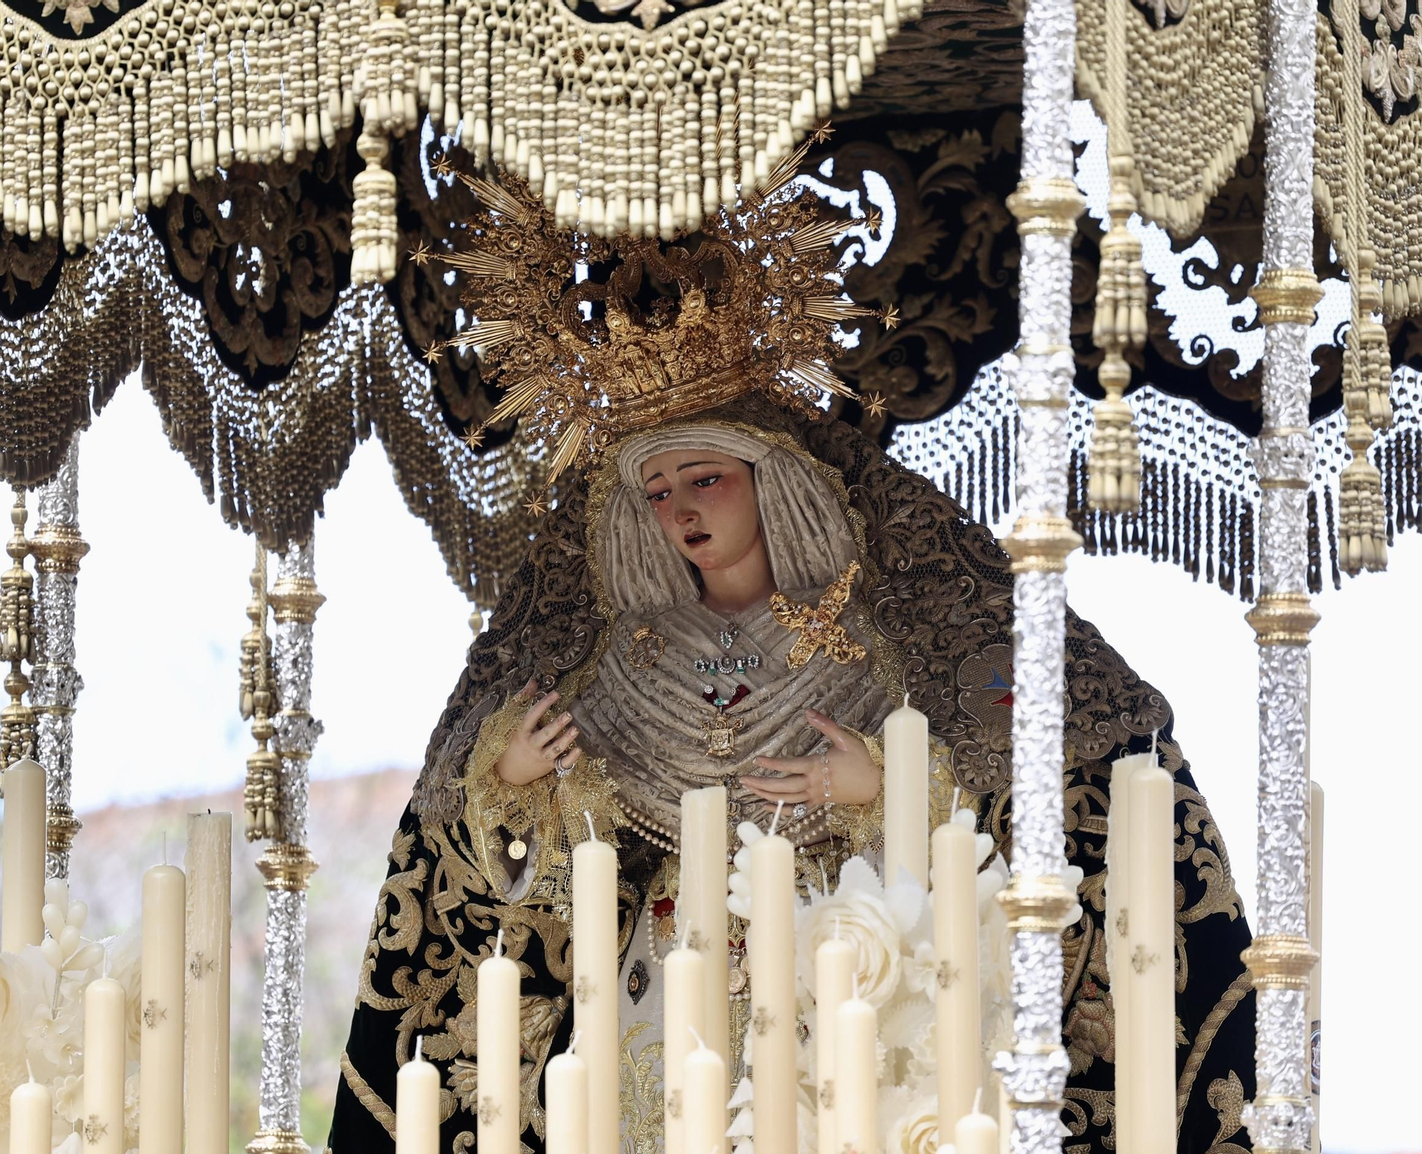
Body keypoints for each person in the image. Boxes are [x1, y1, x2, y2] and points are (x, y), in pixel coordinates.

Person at [330, 152, 1254, 1154]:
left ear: (773, 482)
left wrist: (888, 788)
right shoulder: (610, 668)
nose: (680, 508)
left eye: (705, 477)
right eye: (658, 490)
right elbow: (542, 893)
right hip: (650, 1013)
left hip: (836, 1006)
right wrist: (514, 783)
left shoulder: (883, 647)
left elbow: (1010, 837)